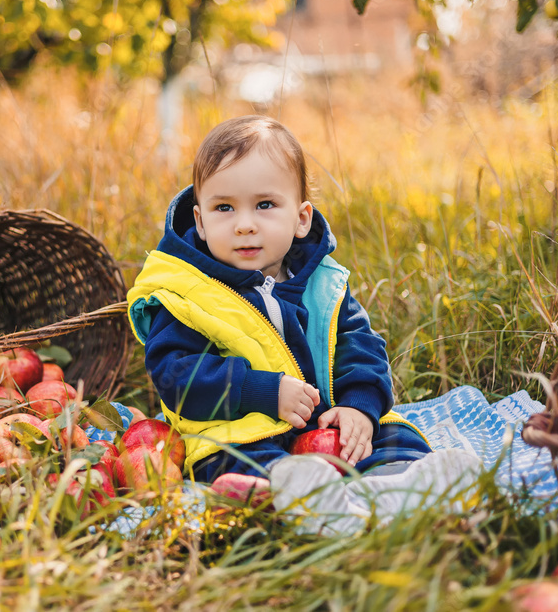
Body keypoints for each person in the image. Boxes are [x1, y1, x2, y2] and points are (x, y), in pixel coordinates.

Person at [126, 115, 438, 489]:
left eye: (265, 205)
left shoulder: (322, 283)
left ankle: (405, 483)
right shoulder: (187, 293)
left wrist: (359, 407)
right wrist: (261, 391)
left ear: (301, 218)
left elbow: (362, 348)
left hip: (324, 422)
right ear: (201, 221)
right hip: (241, 430)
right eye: (224, 208)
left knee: (392, 437)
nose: (244, 224)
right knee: (230, 458)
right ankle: (280, 493)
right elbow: (176, 375)